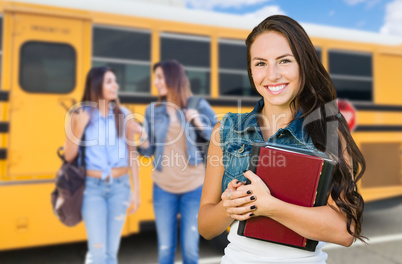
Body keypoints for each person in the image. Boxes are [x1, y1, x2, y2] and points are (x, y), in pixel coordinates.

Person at [198, 15, 366, 264]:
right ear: (251, 70)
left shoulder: (328, 131)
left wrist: (269, 205)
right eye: (260, 63)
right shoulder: (226, 130)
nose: (272, 75)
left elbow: (345, 232)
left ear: (303, 65)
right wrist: (229, 207)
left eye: (284, 61)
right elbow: (205, 226)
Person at [136, 60, 217, 264]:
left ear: (174, 78)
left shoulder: (198, 105)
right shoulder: (152, 110)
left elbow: (219, 138)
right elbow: (148, 152)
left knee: (190, 251)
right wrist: (142, 137)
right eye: (156, 77)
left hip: (194, 187)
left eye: (160, 77)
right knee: (165, 251)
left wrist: (198, 122)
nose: (156, 82)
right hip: (163, 188)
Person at [63, 66, 141, 264]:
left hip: (120, 188)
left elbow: (133, 155)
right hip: (92, 189)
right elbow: (69, 155)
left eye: (115, 81)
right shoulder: (80, 114)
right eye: (109, 81)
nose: (115, 85)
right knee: (98, 253)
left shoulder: (124, 114)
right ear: (96, 85)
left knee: (110, 254)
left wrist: (137, 191)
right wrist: (79, 127)